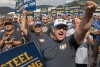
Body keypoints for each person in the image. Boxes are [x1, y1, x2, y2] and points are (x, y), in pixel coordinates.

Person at [40, 1, 97, 67]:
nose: (61, 30)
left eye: (64, 28)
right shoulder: (45, 45)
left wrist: (89, 13)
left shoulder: (71, 41)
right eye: (58, 27)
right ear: (53, 29)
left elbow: (82, 29)